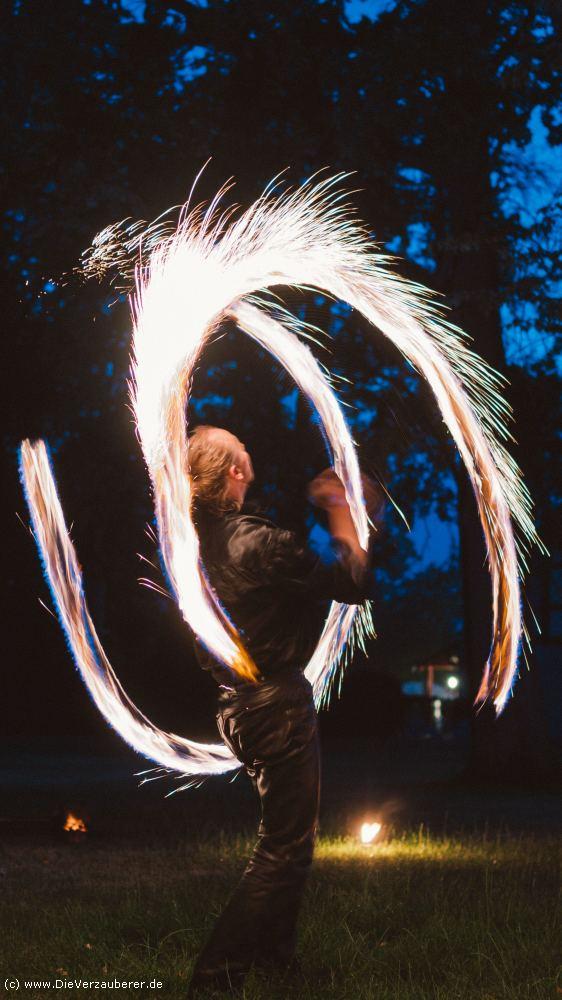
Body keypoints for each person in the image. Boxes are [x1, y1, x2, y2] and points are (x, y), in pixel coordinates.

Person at [186, 425, 380, 996]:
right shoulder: (261, 542)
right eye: (242, 449)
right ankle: (215, 978)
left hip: (236, 707)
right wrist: (343, 508)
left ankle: (276, 960)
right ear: (235, 473)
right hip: (276, 707)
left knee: (291, 840)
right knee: (284, 847)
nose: (250, 451)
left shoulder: (194, 543)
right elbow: (352, 582)